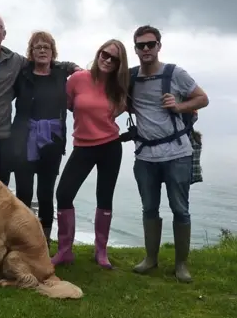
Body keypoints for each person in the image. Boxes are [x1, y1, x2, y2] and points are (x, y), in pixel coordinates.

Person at [0, 13, 80, 273]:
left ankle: (0, 246)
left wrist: (72, 67)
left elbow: (45, 62)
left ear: (4, 34)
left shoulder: (14, 62)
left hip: (4, 141)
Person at [125, 25, 209, 283]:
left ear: (159, 45)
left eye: (151, 44)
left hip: (177, 153)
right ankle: (151, 259)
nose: (146, 49)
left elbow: (202, 98)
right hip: (145, 156)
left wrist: (179, 105)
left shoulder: (175, 73)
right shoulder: (129, 77)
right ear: (135, 48)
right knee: (149, 208)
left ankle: (181, 264)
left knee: (180, 209)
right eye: (141, 45)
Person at [50, 39, 130, 270]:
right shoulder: (77, 79)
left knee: (104, 198)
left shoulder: (120, 86)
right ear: (98, 53)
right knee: (64, 194)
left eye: (114, 58)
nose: (107, 60)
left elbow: (141, 103)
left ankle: (101, 252)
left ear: (119, 64)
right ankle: (65, 251)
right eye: (105, 54)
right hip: (82, 146)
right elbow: (62, 103)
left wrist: (185, 109)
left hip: (111, 146)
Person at [9, 31, 69, 247]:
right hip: (23, 139)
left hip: (52, 141)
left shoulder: (61, 74)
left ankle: (44, 241)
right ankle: (23, 237)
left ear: (53, 52)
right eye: (38, 47)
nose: (42, 50)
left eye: (47, 47)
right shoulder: (22, 75)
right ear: (31, 52)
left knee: (45, 193)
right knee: (24, 192)